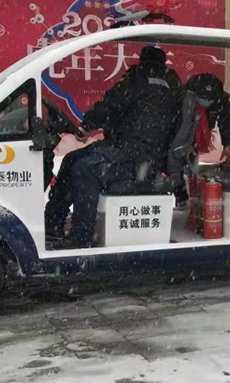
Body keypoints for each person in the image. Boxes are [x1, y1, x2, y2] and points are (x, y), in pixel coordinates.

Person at [45, 46, 182, 248]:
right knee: (72, 158)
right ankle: (53, 223)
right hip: (138, 151)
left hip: (136, 156)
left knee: (86, 169)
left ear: (142, 61)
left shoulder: (138, 81)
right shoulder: (169, 86)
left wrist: (86, 127)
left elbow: (109, 106)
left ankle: (80, 237)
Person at [167, 73, 230, 206]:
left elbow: (226, 121)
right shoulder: (183, 100)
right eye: (203, 98)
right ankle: (179, 197)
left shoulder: (219, 100)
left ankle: (192, 198)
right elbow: (180, 129)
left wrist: (228, 144)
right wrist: (185, 146)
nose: (206, 101)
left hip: (196, 137)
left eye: (210, 99)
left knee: (192, 168)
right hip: (176, 137)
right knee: (176, 163)